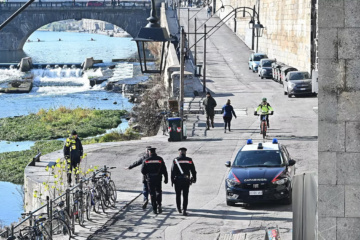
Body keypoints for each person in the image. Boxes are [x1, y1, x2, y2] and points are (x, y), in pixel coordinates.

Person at [141, 148, 168, 214]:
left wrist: (147, 174)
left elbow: (142, 170)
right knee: (158, 191)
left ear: (149, 152)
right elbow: (164, 169)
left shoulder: (146, 160)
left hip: (150, 178)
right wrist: (166, 178)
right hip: (158, 177)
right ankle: (159, 204)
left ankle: (154, 209)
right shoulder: (160, 159)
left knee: (152, 193)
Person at [171, 147, 196, 216]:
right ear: (185, 152)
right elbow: (193, 170)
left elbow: (172, 171)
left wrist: (172, 181)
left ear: (179, 152)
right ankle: (184, 210)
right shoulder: (189, 160)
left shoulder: (175, 160)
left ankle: (179, 208)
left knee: (178, 194)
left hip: (178, 180)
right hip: (186, 180)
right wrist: (194, 178)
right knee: (185, 195)